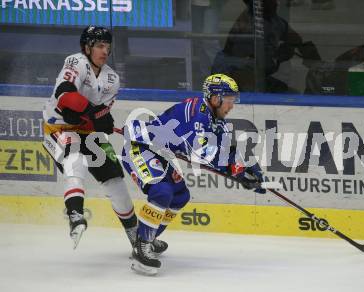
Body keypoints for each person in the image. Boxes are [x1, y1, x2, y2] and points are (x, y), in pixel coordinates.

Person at [120, 73, 266, 275]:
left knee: (180, 196)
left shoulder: (215, 118)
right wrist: (240, 175)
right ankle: (142, 247)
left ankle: (147, 237)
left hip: (159, 153)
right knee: (161, 192)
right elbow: (201, 154)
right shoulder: (198, 114)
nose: (232, 105)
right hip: (140, 148)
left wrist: (250, 167)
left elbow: (226, 150)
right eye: (229, 100)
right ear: (216, 98)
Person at [42, 26, 138, 249]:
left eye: (108, 47)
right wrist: (92, 113)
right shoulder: (76, 62)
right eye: (99, 46)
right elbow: (65, 95)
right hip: (58, 128)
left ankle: (137, 238)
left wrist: (98, 118)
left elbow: (96, 115)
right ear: (87, 47)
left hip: (87, 133)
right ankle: (75, 214)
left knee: (115, 180)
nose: (105, 51)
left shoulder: (112, 79)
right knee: (75, 161)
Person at [211, 0, 307, 93]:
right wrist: (278, 57)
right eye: (272, 0)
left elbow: (296, 38)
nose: (277, 3)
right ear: (261, 3)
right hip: (235, 77)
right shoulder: (248, 25)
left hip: (255, 75)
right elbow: (250, 69)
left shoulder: (274, 20)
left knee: (292, 94)